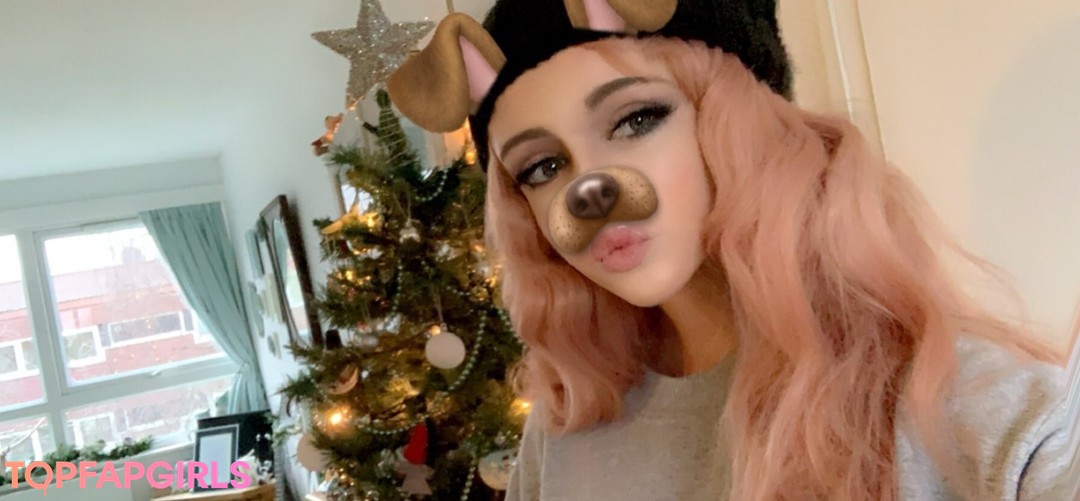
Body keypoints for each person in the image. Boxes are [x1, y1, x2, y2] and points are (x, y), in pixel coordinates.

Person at [387, 0, 1073, 499]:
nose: (585, 190)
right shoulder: (568, 423)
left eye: (637, 119)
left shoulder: (965, 405)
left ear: (746, 124)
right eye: (541, 167)